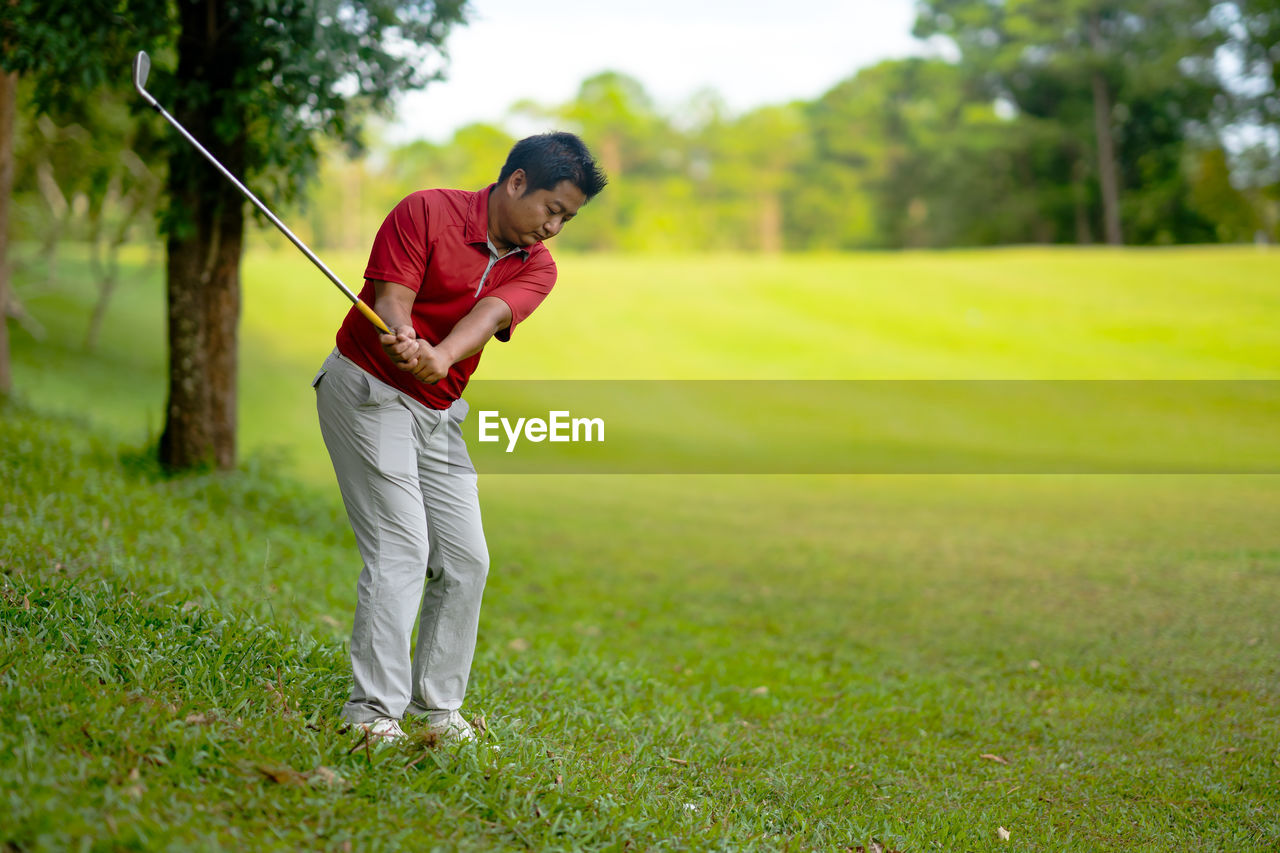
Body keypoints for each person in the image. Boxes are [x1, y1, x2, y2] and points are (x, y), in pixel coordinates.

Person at [312, 132, 607, 744]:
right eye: (552, 209)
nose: (554, 228)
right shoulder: (427, 210)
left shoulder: (538, 266)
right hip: (368, 389)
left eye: (567, 219)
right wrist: (404, 335)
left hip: (439, 410)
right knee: (401, 548)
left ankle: (435, 712)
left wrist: (439, 355)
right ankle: (370, 714)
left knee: (467, 560)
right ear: (517, 181)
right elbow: (393, 297)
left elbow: (489, 316)